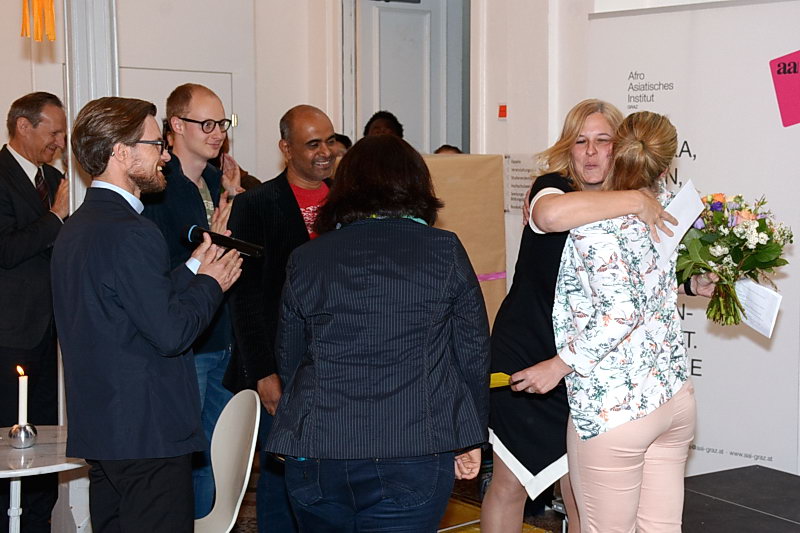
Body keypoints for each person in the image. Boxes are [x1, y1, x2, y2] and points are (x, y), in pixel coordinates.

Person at [481, 99, 686, 533]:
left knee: (580, 494)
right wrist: (635, 199)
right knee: (511, 482)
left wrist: (691, 283)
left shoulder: (637, 201)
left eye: (602, 140)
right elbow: (551, 216)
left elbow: (640, 280)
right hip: (529, 349)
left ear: (623, 147)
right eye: (580, 141)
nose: (590, 152)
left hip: (589, 366)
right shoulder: (553, 186)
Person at [266, 134, 489, 531]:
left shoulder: (307, 257)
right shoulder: (444, 250)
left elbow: (290, 357)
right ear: (416, 184)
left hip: (319, 446)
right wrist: (470, 435)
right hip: (414, 445)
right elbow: (472, 352)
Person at [51, 96, 242, 532]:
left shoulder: (77, 227)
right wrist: (212, 284)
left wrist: (194, 266)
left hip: (106, 432)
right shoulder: (133, 232)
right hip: (149, 433)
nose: (166, 156)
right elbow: (171, 333)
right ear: (121, 151)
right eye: (157, 145)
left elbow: (128, 305)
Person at [225, 104, 337, 532]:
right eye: (313, 143)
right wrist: (263, 371)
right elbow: (245, 296)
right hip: (281, 366)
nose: (325, 152)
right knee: (280, 480)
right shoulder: (255, 205)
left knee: (332, 478)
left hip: (340, 365)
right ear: (286, 148)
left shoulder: (350, 202)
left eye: (330, 141)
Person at [142, 83, 240, 518]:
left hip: (224, 337)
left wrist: (236, 201)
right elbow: (156, 275)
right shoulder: (158, 188)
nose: (218, 132)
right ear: (177, 125)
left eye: (223, 123)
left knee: (216, 455)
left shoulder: (221, 182)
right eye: (207, 123)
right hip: (186, 340)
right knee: (184, 456)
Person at [0, 91, 68, 533]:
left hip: (49, 331)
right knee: (8, 439)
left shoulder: (54, 177)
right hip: (9, 335)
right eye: (54, 132)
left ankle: (38, 520)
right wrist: (56, 218)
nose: (60, 143)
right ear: (23, 126)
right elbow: (6, 249)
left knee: (44, 437)